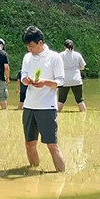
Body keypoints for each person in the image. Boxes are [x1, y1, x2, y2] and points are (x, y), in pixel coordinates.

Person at [20, 26, 66, 173]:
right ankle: (33, 171)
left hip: (47, 107)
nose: (29, 49)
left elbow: (60, 82)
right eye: (27, 46)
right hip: (29, 105)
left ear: (40, 43)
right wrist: (26, 80)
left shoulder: (54, 57)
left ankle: (61, 175)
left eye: (31, 46)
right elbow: (23, 77)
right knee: (29, 143)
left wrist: (45, 82)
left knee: (52, 145)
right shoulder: (27, 57)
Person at [57, 39, 87, 113]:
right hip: (76, 79)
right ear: (73, 46)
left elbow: (56, 67)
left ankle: (57, 115)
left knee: (61, 100)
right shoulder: (77, 55)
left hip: (65, 80)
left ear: (64, 47)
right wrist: (76, 69)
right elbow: (83, 67)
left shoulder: (60, 55)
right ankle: (84, 115)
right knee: (80, 100)